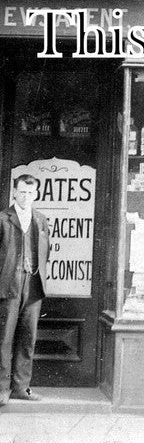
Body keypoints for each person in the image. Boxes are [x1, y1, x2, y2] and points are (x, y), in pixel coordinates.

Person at [0, 174, 49, 406]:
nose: (26, 196)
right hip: (8, 285)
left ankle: (21, 387)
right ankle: (1, 390)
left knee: (28, 338)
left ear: (36, 194)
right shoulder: (3, 219)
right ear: (14, 193)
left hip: (33, 285)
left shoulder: (41, 219)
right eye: (22, 192)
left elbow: (45, 252)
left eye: (30, 193)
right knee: (3, 339)